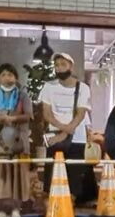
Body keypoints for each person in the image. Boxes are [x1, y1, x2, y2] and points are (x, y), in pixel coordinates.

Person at [38, 51, 98, 206]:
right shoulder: (48, 87)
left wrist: (66, 132)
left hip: (76, 138)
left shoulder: (83, 88)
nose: (59, 68)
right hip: (54, 138)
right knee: (52, 175)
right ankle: (52, 210)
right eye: (56, 65)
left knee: (74, 177)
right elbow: (47, 113)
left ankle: (68, 210)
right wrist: (63, 130)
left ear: (71, 66)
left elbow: (81, 113)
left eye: (63, 64)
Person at [0, 63, 36, 217]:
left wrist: (12, 118)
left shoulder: (23, 96)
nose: (8, 78)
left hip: (18, 142)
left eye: (11, 75)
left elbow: (29, 116)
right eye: (4, 75)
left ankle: (15, 208)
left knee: (18, 176)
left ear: (16, 78)